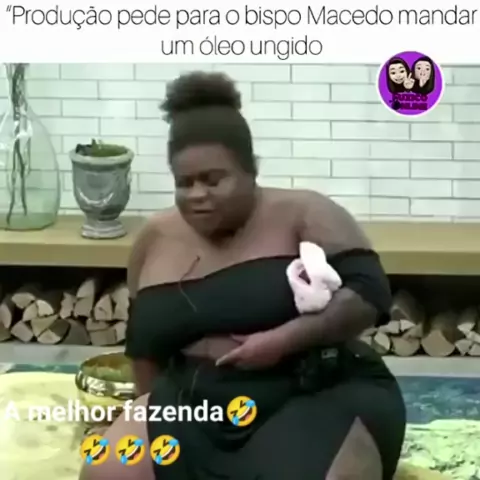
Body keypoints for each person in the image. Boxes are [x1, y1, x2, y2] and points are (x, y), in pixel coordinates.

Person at [79, 71, 406, 480]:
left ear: (251, 170)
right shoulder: (155, 237)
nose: (198, 195)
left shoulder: (304, 212)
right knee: (104, 472)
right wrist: (148, 414)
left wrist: (283, 341)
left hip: (312, 392)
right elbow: (144, 344)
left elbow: (370, 292)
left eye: (213, 180)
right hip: (194, 402)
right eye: (185, 183)